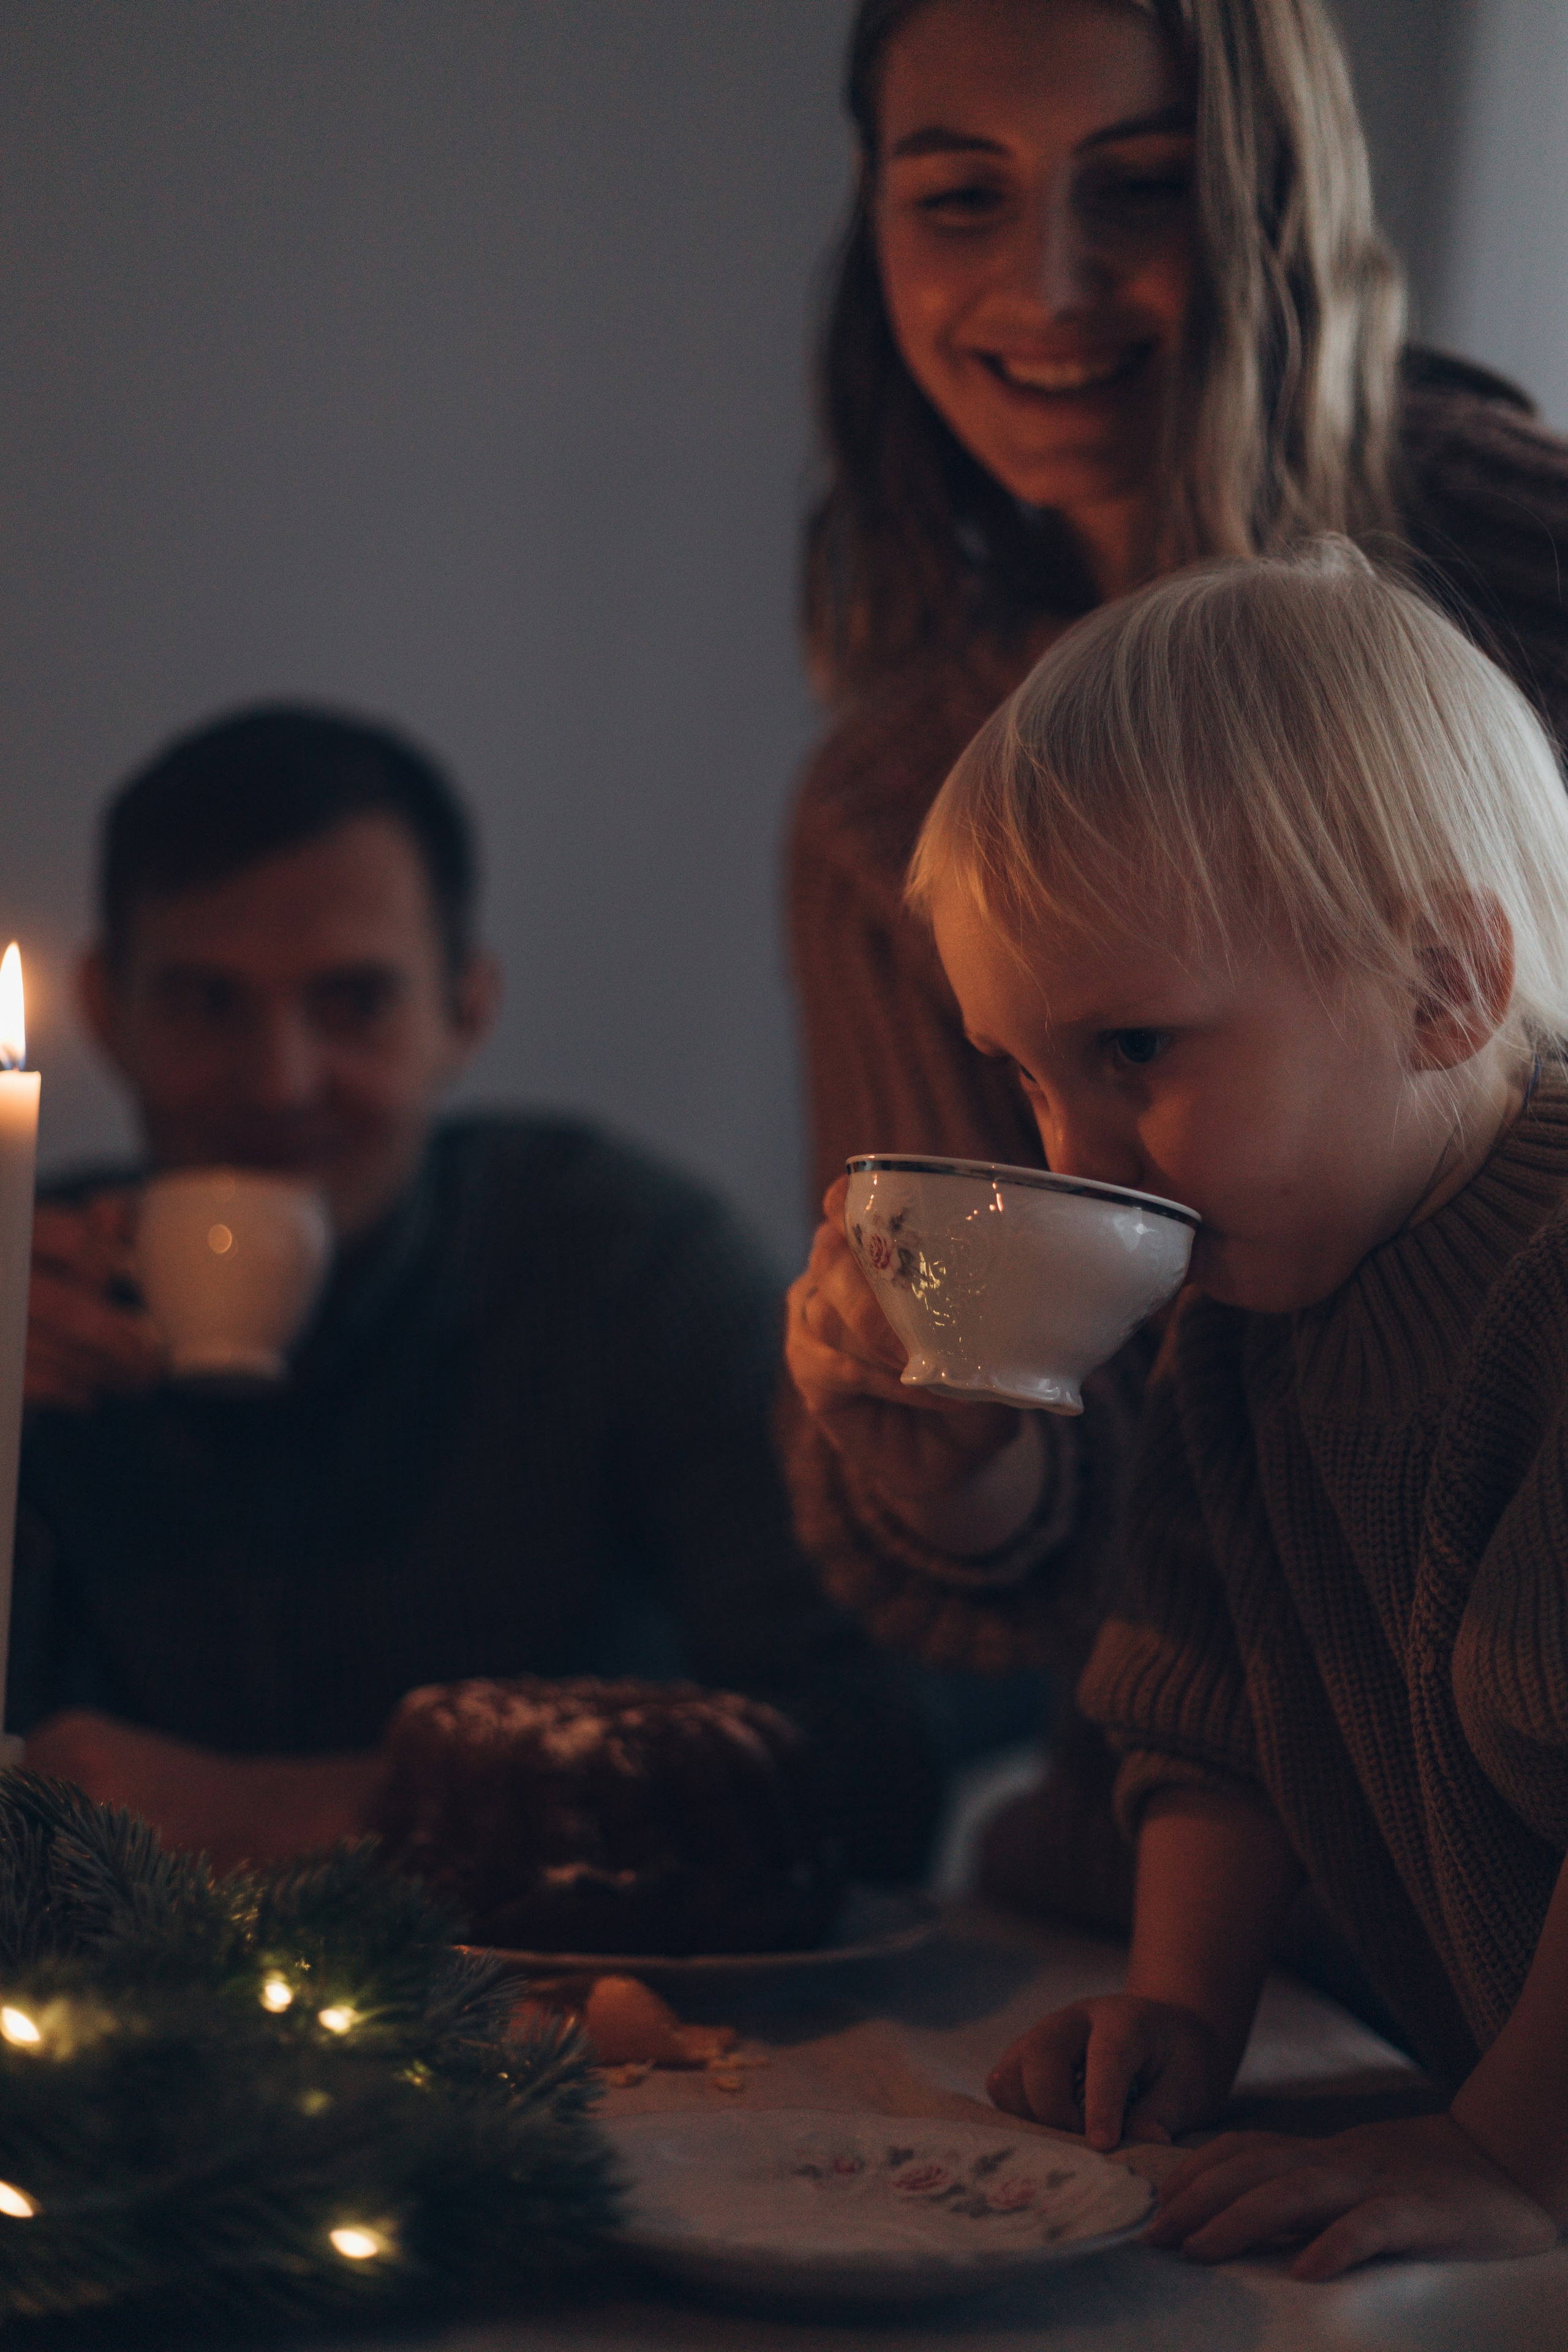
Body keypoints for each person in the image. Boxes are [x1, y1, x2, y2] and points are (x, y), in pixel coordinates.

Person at [783, 0, 1568, 1932]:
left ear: (1278, 199)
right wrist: (957, 1460)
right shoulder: (898, 801)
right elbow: (1110, 1551)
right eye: (959, 198)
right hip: (1221, 1837)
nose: (1047, 286)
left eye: (1141, 189)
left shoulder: (1517, 573)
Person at [796, 538, 1568, 2272]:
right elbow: (1212, 1698)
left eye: (1134, 1050)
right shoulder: (1242, 1304)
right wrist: (1181, 2010)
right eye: (1024, 1073)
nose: (1071, 1153)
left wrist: (1514, 2158)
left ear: (1441, 983)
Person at [17, 704, 941, 1878]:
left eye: (354, 1002)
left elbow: (877, 1760)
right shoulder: (30, 1301)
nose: (279, 1081)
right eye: (207, 1002)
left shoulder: (623, 1268)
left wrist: (305, 1810)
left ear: (466, 1011)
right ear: (108, 1013)